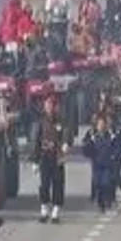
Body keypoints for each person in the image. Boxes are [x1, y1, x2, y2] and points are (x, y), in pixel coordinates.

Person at [30, 94, 70, 223]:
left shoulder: (61, 120)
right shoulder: (41, 121)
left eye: (52, 105)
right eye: (48, 105)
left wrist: (65, 144)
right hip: (45, 156)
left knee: (58, 183)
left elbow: (66, 133)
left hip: (57, 156)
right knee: (44, 184)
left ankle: (56, 211)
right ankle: (44, 209)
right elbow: (36, 140)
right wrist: (35, 160)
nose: (50, 107)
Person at [81, 114, 121, 212]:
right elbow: (85, 148)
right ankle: (100, 201)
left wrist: (115, 156)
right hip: (97, 164)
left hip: (108, 164)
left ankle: (109, 199)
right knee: (97, 183)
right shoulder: (93, 135)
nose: (101, 126)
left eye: (103, 124)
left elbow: (119, 146)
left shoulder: (112, 135)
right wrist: (89, 151)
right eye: (99, 124)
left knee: (107, 182)